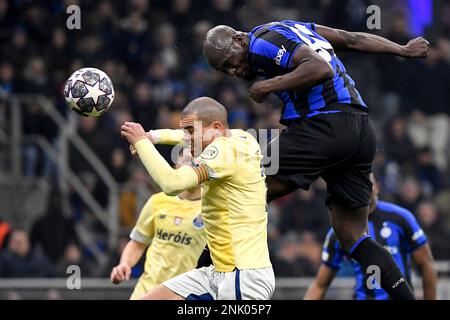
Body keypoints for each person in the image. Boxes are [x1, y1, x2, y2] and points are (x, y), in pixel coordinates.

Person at [203, 20, 429, 300]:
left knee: (239, 187)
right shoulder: (294, 28)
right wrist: (402, 50)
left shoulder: (262, 41)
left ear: (238, 39)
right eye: (225, 70)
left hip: (324, 125)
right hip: (360, 130)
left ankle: (203, 280)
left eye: (230, 63)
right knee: (352, 236)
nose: (234, 72)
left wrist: (268, 86)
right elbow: (350, 37)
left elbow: (320, 68)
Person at [120, 97, 274, 300]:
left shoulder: (224, 153)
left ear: (217, 128)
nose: (186, 138)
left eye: (191, 131)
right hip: (217, 272)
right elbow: (184, 136)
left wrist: (140, 142)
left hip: (241, 276)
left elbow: (171, 184)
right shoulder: (241, 137)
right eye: (186, 131)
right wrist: (153, 137)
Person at [304, 174, 437, 300]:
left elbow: (426, 264)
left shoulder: (401, 218)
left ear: (377, 187)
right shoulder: (340, 231)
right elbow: (320, 285)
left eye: (367, 184)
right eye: (357, 186)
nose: (362, 189)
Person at [110, 150, 207, 300]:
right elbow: (137, 243)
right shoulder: (157, 201)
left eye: (195, 161)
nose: (189, 165)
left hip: (184, 294)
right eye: (185, 160)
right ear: (175, 167)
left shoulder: (213, 209)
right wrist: (125, 264)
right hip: (146, 291)